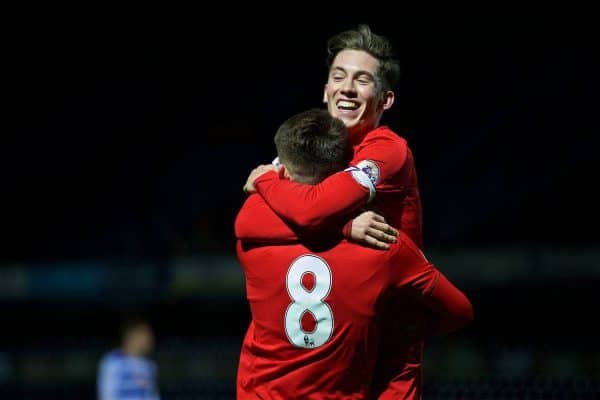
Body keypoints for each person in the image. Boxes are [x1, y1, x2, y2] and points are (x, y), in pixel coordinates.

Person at [240, 24, 427, 398]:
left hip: (383, 370)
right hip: (314, 363)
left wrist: (268, 184)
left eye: (362, 80)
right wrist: (344, 228)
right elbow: (248, 220)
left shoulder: (387, 152)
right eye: (338, 77)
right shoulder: (313, 149)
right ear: (325, 89)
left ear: (385, 100)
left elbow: (310, 212)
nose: (347, 88)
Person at [235, 108, 473, 398]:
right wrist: (389, 331)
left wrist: (268, 183)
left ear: (282, 171)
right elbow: (459, 311)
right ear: (340, 175)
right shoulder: (384, 246)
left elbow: (266, 218)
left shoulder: (251, 237)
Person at [97, 317, 160, 400]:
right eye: (144, 335)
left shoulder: (149, 365)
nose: (149, 339)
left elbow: (152, 395)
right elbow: (107, 394)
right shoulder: (113, 362)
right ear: (130, 336)